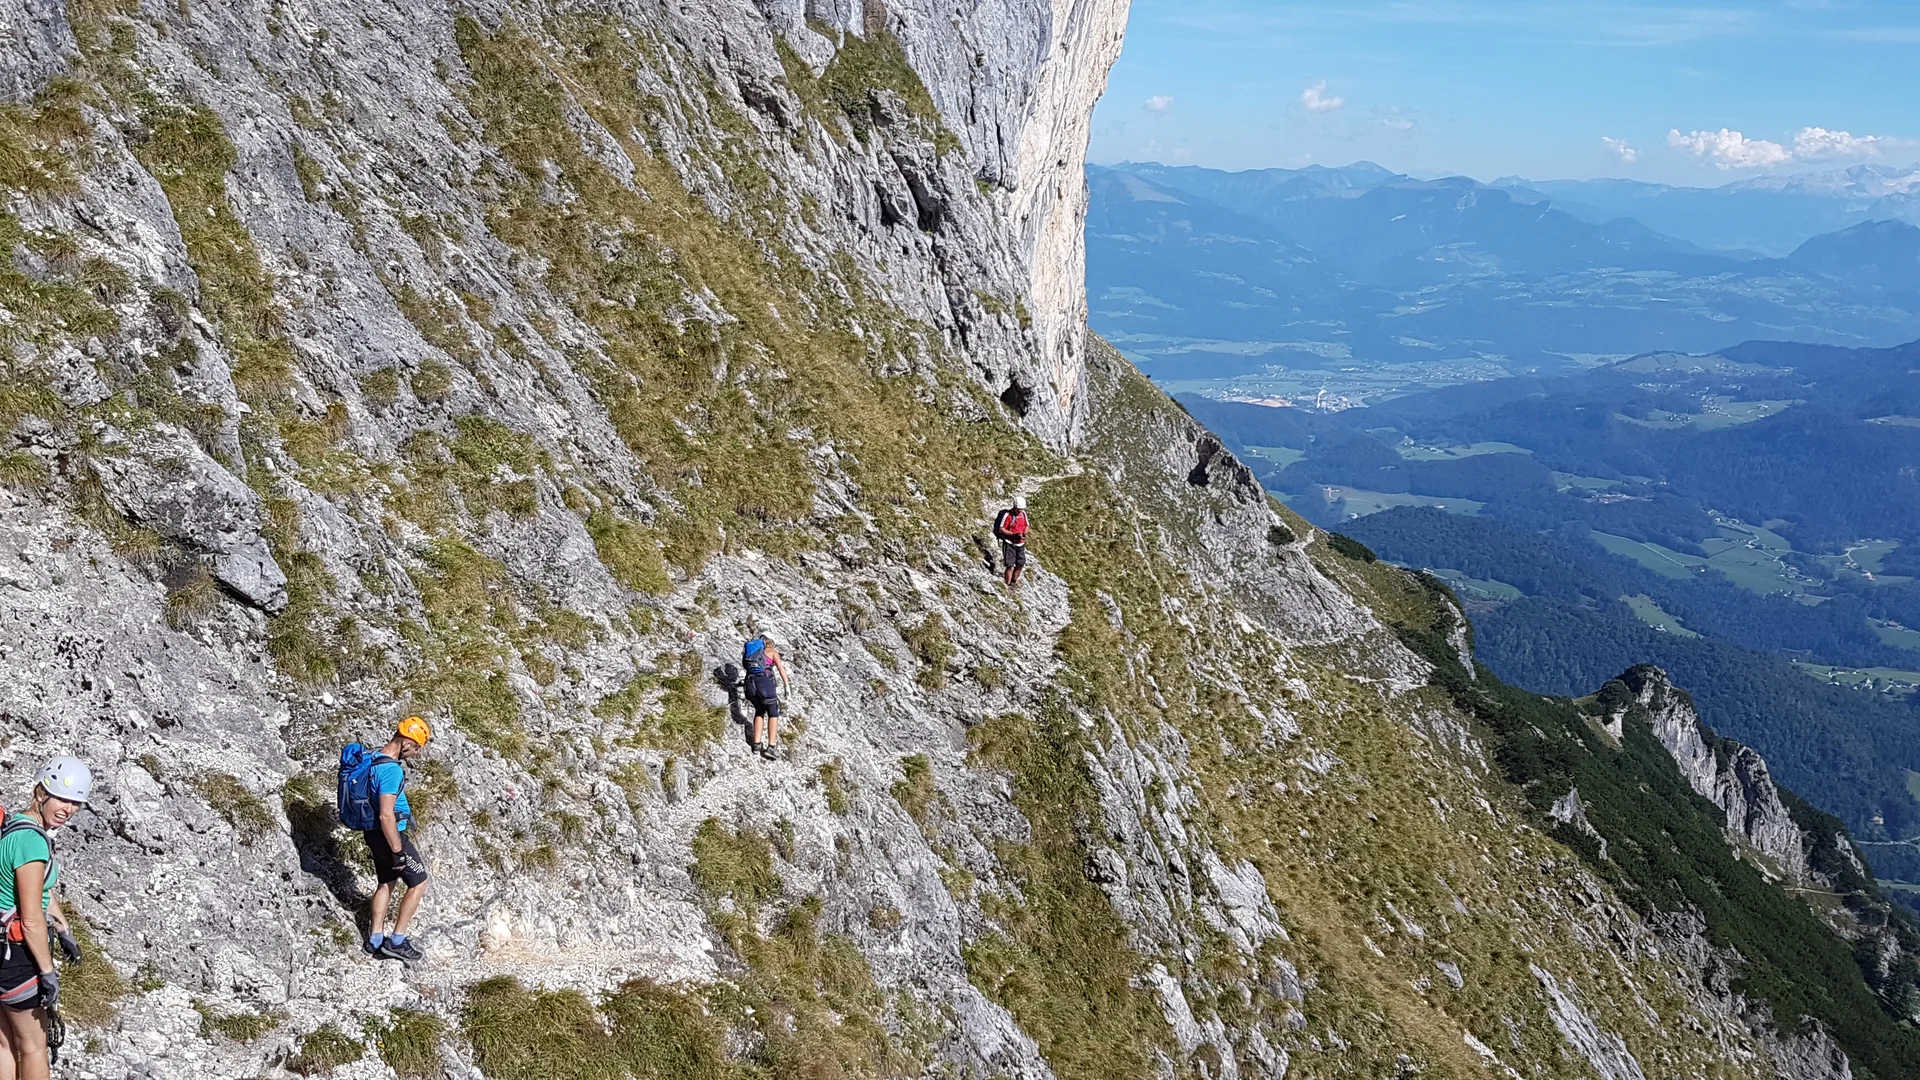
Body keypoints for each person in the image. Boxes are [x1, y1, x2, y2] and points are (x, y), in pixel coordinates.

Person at [0, 757, 91, 1080]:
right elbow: (31, 919)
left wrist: (64, 928)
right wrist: (48, 973)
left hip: (1, 949)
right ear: (41, 792)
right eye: (63, 798)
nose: (69, 809)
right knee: (34, 1045)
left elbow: (39, 891)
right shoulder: (32, 843)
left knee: (5, 1043)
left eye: (76, 803)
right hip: (17, 959)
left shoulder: (13, 826)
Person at [363, 717, 432, 962]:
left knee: (386, 882)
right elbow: (386, 814)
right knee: (419, 882)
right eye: (416, 748)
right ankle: (397, 941)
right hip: (391, 837)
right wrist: (397, 850)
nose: (416, 754)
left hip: (372, 833)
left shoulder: (373, 758)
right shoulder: (391, 770)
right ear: (405, 743)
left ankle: (375, 939)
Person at [743, 635, 791, 761]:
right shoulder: (772, 652)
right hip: (764, 684)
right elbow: (781, 667)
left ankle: (756, 744)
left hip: (750, 685)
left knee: (759, 711)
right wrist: (787, 686)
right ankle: (771, 747)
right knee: (773, 713)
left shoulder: (751, 653)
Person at [993, 495, 1030, 587]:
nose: (1020, 511)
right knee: (1010, 565)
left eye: (1021, 509)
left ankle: (1014, 581)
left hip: (1020, 543)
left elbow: (1027, 526)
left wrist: (1024, 534)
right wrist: (1013, 535)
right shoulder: (1007, 515)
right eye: (1018, 509)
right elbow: (1002, 529)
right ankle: (1007, 585)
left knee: (1020, 564)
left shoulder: (1023, 514)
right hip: (1009, 543)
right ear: (1014, 507)